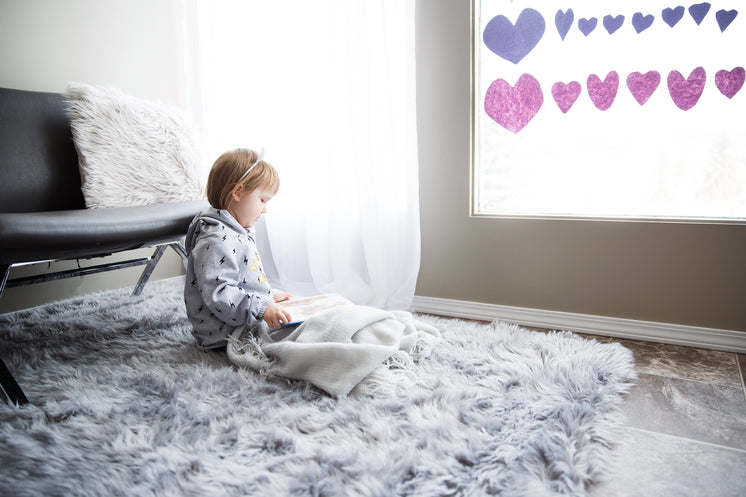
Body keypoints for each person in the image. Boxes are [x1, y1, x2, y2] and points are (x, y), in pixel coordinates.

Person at [184, 148, 292, 350]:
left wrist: (267, 296)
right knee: (298, 340)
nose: (265, 209)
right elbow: (220, 292)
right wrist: (261, 307)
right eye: (262, 200)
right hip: (225, 333)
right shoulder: (215, 240)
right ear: (237, 192)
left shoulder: (237, 231)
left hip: (241, 321)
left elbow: (243, 278)